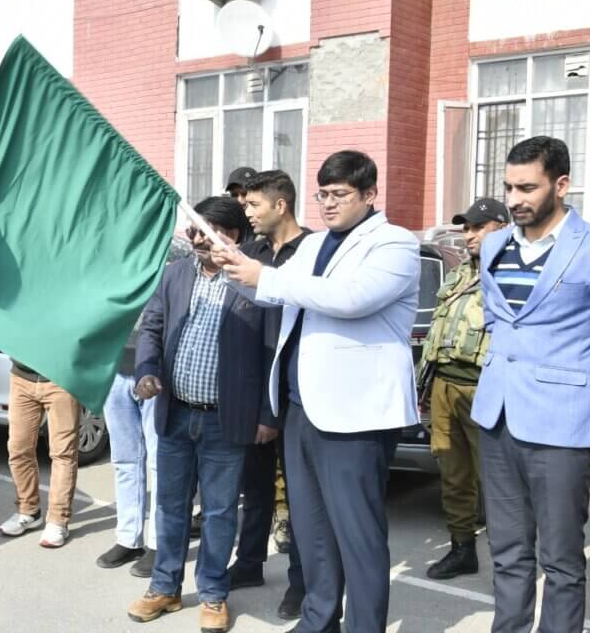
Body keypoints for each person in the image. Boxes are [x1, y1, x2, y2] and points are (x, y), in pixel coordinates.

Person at [214, 150, 421, 633]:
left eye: (339, 194)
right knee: (312, 532)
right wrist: (230, 264)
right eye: (322, 194)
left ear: (369, 195)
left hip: (356, 415)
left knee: (358, 535)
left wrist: (266, 277)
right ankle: (319, 620)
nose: (328, 203)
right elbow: (274, 291)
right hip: (301, 406)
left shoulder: (394, 243)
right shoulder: (315, 245)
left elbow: (351, 299)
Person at [471, 136, 590, 633]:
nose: (514, 199)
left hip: (563, 429)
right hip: (497, 418)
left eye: (527, 188)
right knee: (507, 551)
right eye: (509, 187)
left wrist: (585, 397)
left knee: (562, 560)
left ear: (561, 185)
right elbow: (498, 320)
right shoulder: (495, 246)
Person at [127, 196, 272, 633]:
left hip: (225, 420)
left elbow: (271, 350)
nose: (197, 238)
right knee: (170, 507)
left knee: (219, 511)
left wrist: (268, 415)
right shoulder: (174, 274)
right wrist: (147, 370)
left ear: (233, 236)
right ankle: (165, 587)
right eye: (193, 230)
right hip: (175, 413)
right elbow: (152, 328)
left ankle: (212, 592)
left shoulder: (253, 280)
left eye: (208, 231)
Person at [227, 170, 309, 621]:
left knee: (299, 496)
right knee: (255, 487)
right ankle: (249, 564)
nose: (247, 212)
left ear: (281, 205)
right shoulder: (251, 254)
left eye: (254, 205)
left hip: (296, 394)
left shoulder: (313, 251)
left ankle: (301, 582)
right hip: (254, 388)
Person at [417, 197, 510, 581]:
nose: (470, 235)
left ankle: (511, 563)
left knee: (499, 480)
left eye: (478, 227)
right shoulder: (459, 274)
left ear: (503, 228)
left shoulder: (512, 274)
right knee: (454, 476)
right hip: (444, 385)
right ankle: (462, 549)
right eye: (467, 228)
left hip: (485, 389)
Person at [95, 327, 160, 575]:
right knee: (125, 460)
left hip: (156, 373)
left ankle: (159, 543)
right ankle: (129, 539)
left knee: (160, 464)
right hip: (116, 369)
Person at [0, 360, 81, 549]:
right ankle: (28, 511)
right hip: (22, 376)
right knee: (18, 448)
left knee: (63, 454)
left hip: (62, 379)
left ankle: (58, 520)